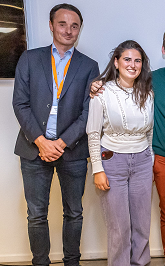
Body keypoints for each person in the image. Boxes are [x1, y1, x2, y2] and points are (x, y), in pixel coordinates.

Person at [91, 26, 165, 266]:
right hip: (162, 160)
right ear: (163, 49)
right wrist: (96, 86)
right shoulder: (149, 80)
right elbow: (120, 87)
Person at [11, 3, 99, 266]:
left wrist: (59, 143)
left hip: (72, 150)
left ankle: (72, 262)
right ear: (51, 26)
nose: (68, 30)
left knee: (74, 213)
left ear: (80, 30)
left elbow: (88, 111)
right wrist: (41, 141)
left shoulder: (89, 66)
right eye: (62, 24)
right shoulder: (29, 58)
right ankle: (41, 263)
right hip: (33, 148)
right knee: (36, 214)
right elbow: (20, 103)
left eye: (74, 26)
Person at [86, 40, 153, 266]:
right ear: (116, 62)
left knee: (142, 224)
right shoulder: (102, 92)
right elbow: (93, 133)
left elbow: (150, 132)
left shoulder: (148, 93)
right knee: (119, 227)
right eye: (127, 59)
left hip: (143, 162)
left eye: (137, 60)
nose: (132, 65)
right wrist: (97, 169)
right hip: (112, 162)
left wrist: (150, 160)